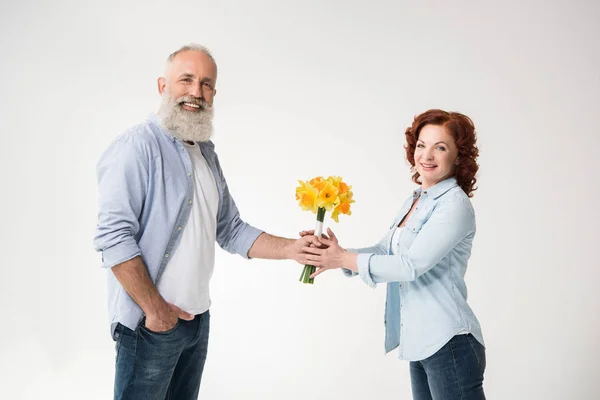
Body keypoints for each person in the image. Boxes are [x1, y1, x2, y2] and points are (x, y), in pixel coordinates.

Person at [94, 44, 319, 400]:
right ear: (162, 86)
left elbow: (230, 228)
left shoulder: (204, 152)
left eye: (207, 84)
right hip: (151, 326)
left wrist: (294, 249)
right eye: (187, 80)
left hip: (196, 322)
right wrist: (156, 311)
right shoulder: (137, 147)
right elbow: (113, 237)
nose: (196, 92)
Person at [301, 109, 486, 400]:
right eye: (422, 145)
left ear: (459, 156)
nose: (427, 155)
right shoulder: (415, 199)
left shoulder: (454, 205)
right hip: (419, 341)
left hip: (449, 342)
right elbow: (385, 251)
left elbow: (410, 266)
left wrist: (343, 260)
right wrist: (336, 254)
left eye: (441, 147)